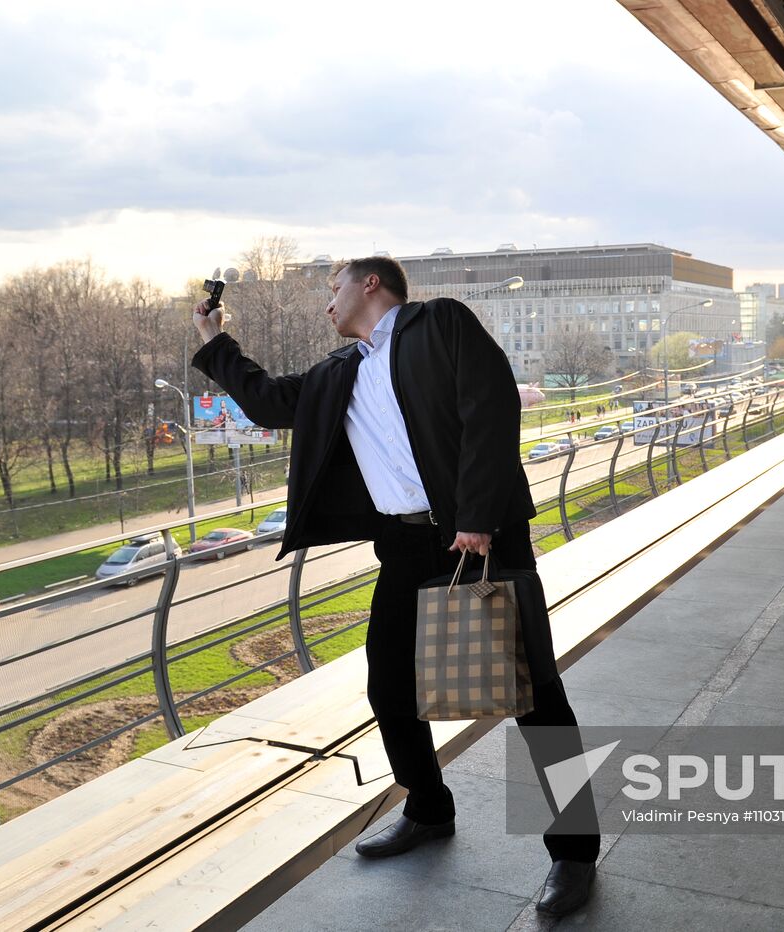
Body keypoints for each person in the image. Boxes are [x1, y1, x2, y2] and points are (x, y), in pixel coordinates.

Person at [190, 256, 600, 917]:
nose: (328, 304)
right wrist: (215, 339)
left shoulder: (438, 323)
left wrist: (475, 517)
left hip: (481, 533)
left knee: (535, 696)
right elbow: (267, 402)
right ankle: (429, 809)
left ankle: (576, 854)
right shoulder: (340, 371)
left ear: (371, 283)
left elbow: (490, 405)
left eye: (334, 289)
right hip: (405, 546)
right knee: (388, 685)